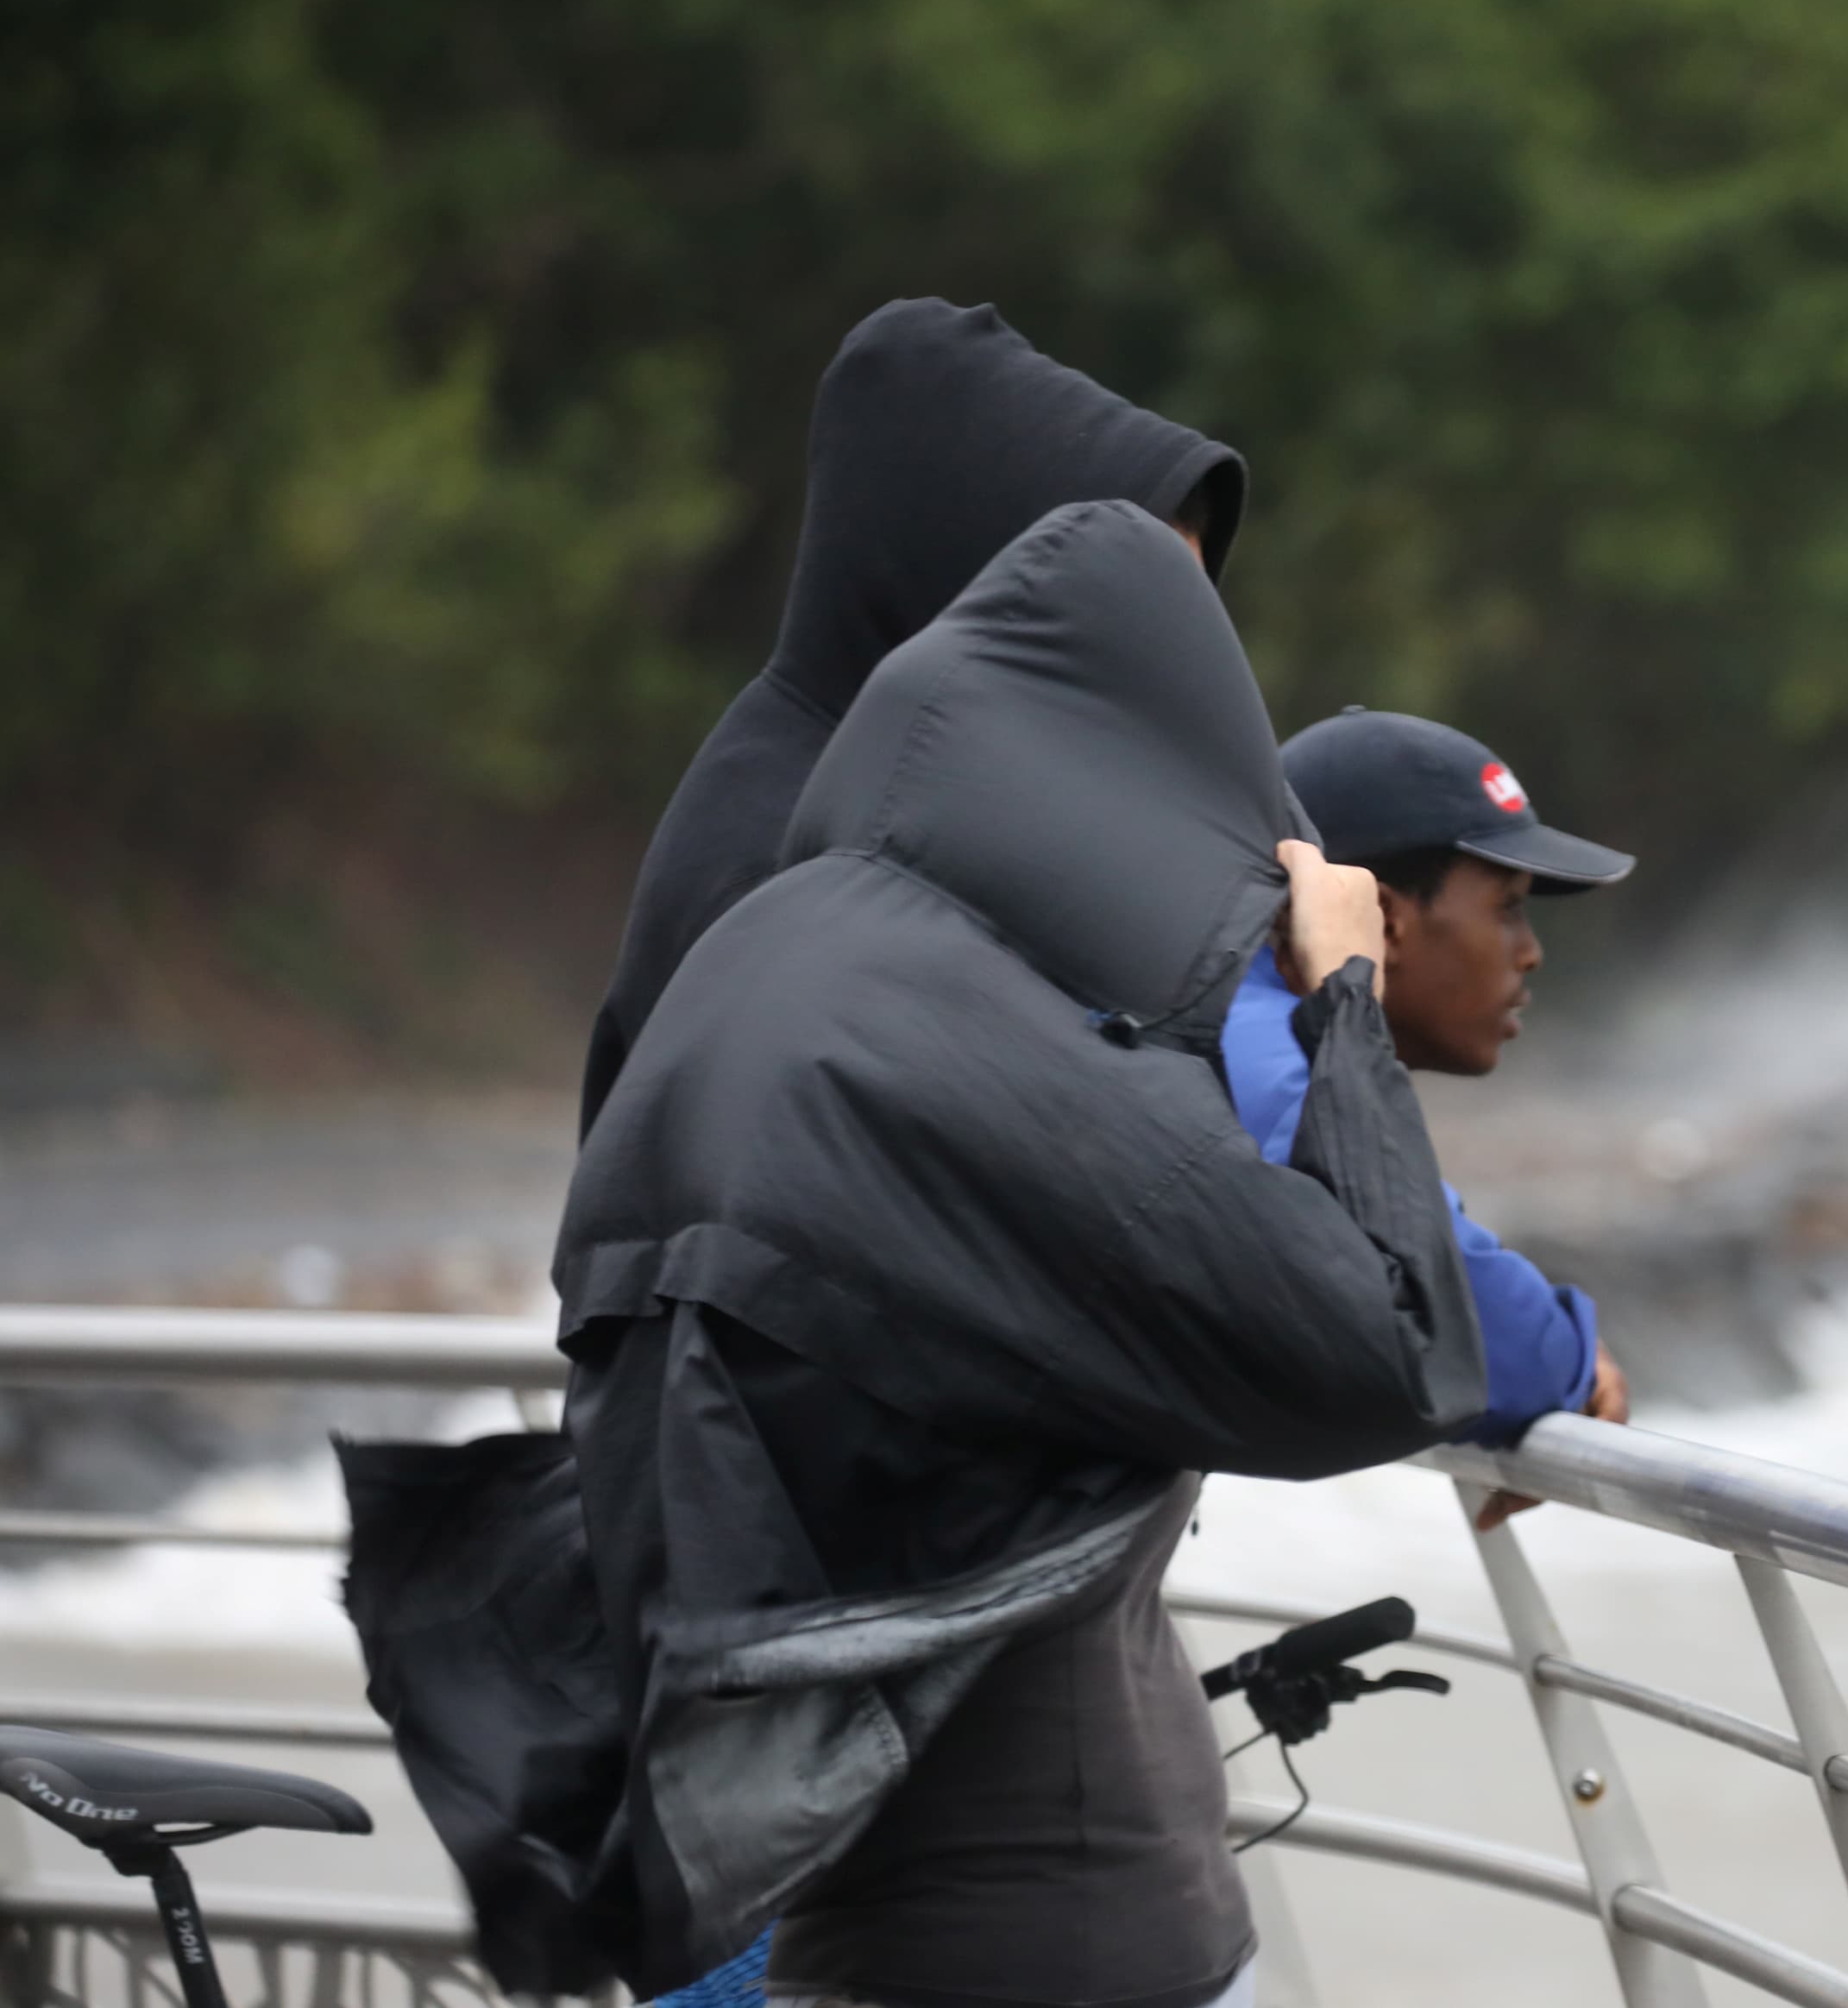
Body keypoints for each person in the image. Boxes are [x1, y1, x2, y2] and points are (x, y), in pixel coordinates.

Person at [342, 503, 1482, 2008]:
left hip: (868, 1937)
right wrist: (1344, 989)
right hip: (1074, 1948)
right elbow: (1399, 1344)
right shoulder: (989, 1069)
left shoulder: (773, 979)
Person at [575, 295, 1248, 1140]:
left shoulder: (920, 811)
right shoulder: (790, 861)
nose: (1172, 672)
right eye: (1141, 612)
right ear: (995, 574)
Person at [1225, 708, 1637, 1497]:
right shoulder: (1276, 1063)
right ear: (1381, 918)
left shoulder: (1238, 1022)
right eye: (1508, 905)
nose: (1531, 951)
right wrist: (1576, 1361)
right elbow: (1474, 1329)